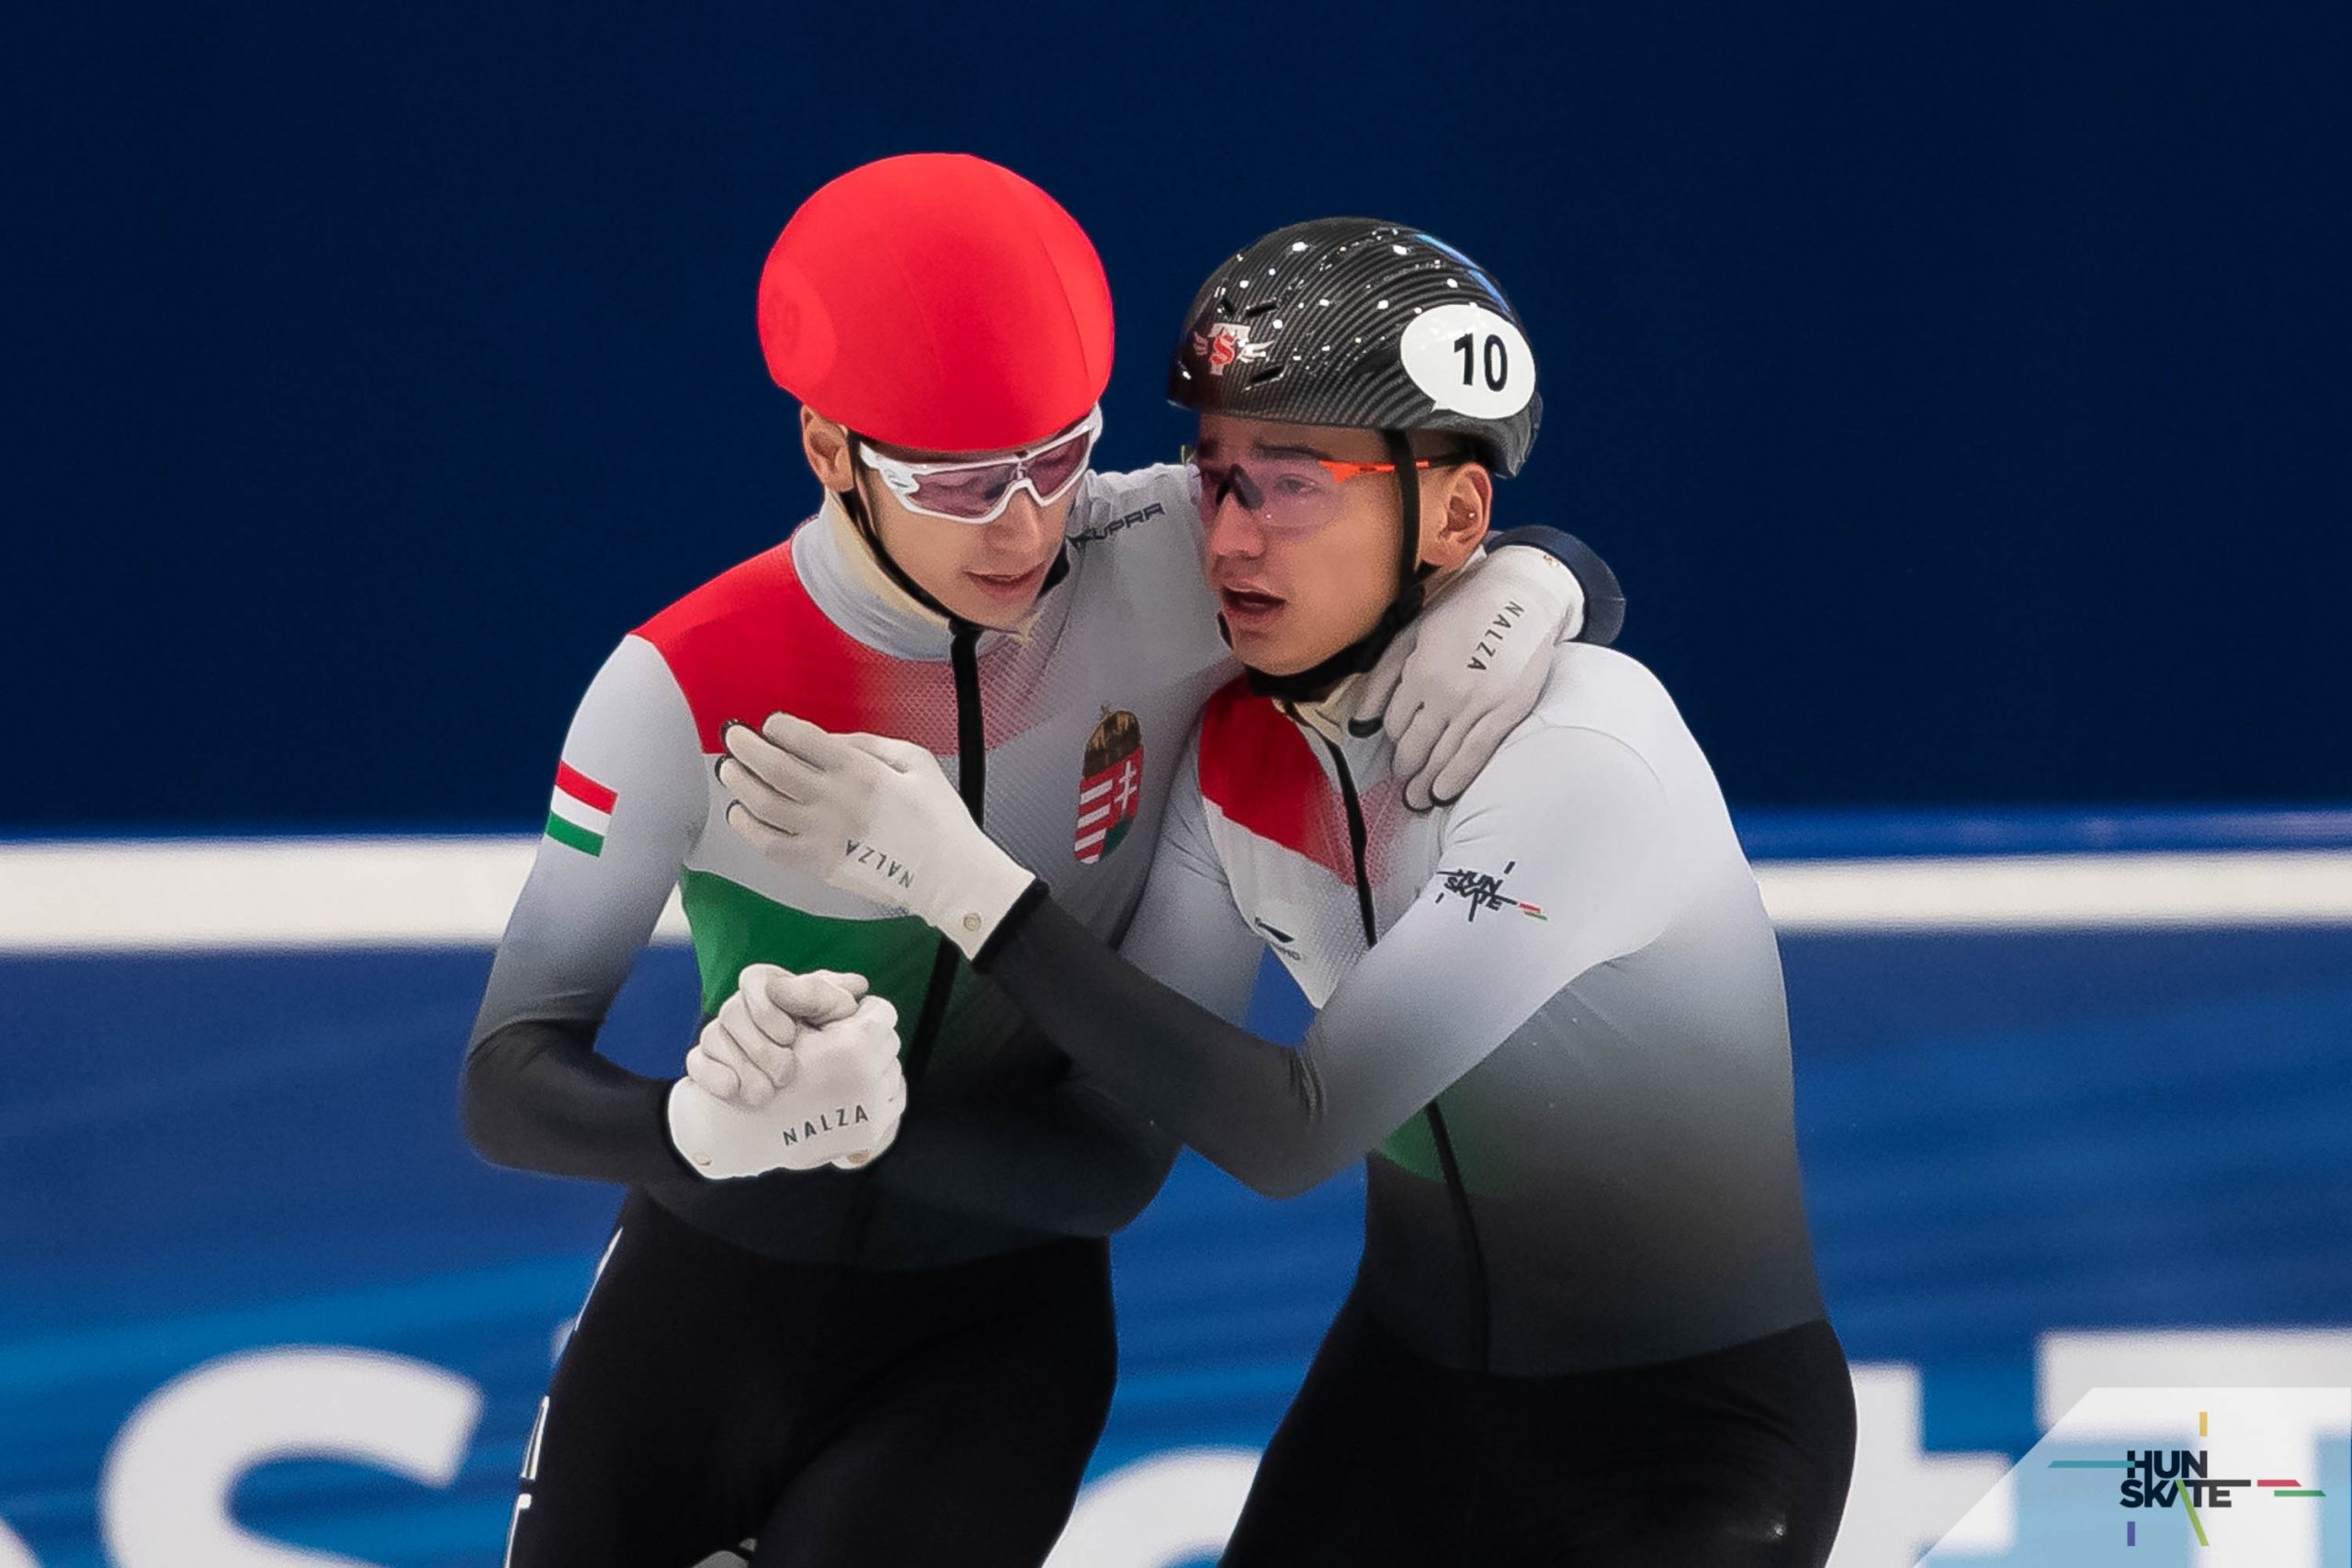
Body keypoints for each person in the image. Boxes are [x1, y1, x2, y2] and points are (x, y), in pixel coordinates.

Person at [462, 156, 1625, 1568]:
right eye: (957, 482)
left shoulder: (1164, 563)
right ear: (829, 449)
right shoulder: (682, 685)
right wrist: (692, 1135)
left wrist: (1543, 575)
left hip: (992, 1339)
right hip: (697, 1314)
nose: (1023, 527)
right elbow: (507, 1075)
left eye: (1059, 457)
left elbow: (1110, 1171)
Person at [719, 216, 1855, 1566]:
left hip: (1682, 1454)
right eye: (1215, 478)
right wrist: (857, 1127)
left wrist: (968, 885)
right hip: (1402, 1416)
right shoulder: (1239, 749)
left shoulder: (1585, 755)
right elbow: (1117, 1158)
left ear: (1454, 513)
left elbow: (1291, 1128)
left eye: (1294, 482)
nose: (1229, 538)